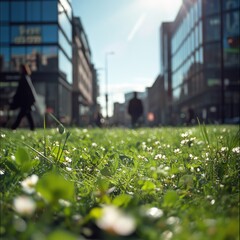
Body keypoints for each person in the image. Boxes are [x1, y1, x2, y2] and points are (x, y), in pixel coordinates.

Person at [10, 64, 36, 130]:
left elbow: (20, 91)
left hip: (25, 102)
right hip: (26, 101)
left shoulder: (24, 78)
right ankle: (32, 128)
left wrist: (15, 98)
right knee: (27, 115)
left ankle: (13, 127)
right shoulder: (26, 77)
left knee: (21, 115)